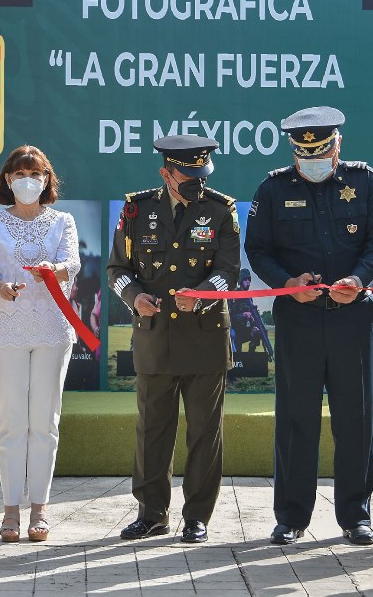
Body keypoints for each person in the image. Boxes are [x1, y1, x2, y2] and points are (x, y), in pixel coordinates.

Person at [245, 106, 373, 545]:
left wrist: (359, 279)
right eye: (303, 153)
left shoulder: (364, 181)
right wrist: (287, 283)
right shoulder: (272, 188)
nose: (312, 159)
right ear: (293, 151)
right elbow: (258, 248)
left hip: (352, 318)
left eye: (320, 151)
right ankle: (291, 516)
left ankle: (356, 516)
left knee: (355, 418)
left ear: (337, 146)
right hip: (299, 320)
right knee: (296, 419)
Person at [107, 135, 240, 544]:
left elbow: (228, 273)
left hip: (204, 339)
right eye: (188, 175)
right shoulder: (136, 210)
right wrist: (134, 297)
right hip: (154, 337)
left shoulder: (220, 210)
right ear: (166, 173)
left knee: (204, 432)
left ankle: (197, 516)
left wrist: (201, 298)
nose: (197, 182)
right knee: (153, 430)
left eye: (203, 174)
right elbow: (117, 270)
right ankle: (151, 514)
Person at [0, 145, 80, 543]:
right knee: (12, 420)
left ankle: (40, 508)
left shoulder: (63, 222)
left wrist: (54, 270)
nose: (28, 181)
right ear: (7, 180)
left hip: (52, 329)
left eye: (35, 174)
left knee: (45, 422)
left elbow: (73, 262)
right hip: (5, 331)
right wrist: (0, 287)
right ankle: (10, 509)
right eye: (19, 174)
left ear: (47, 179)